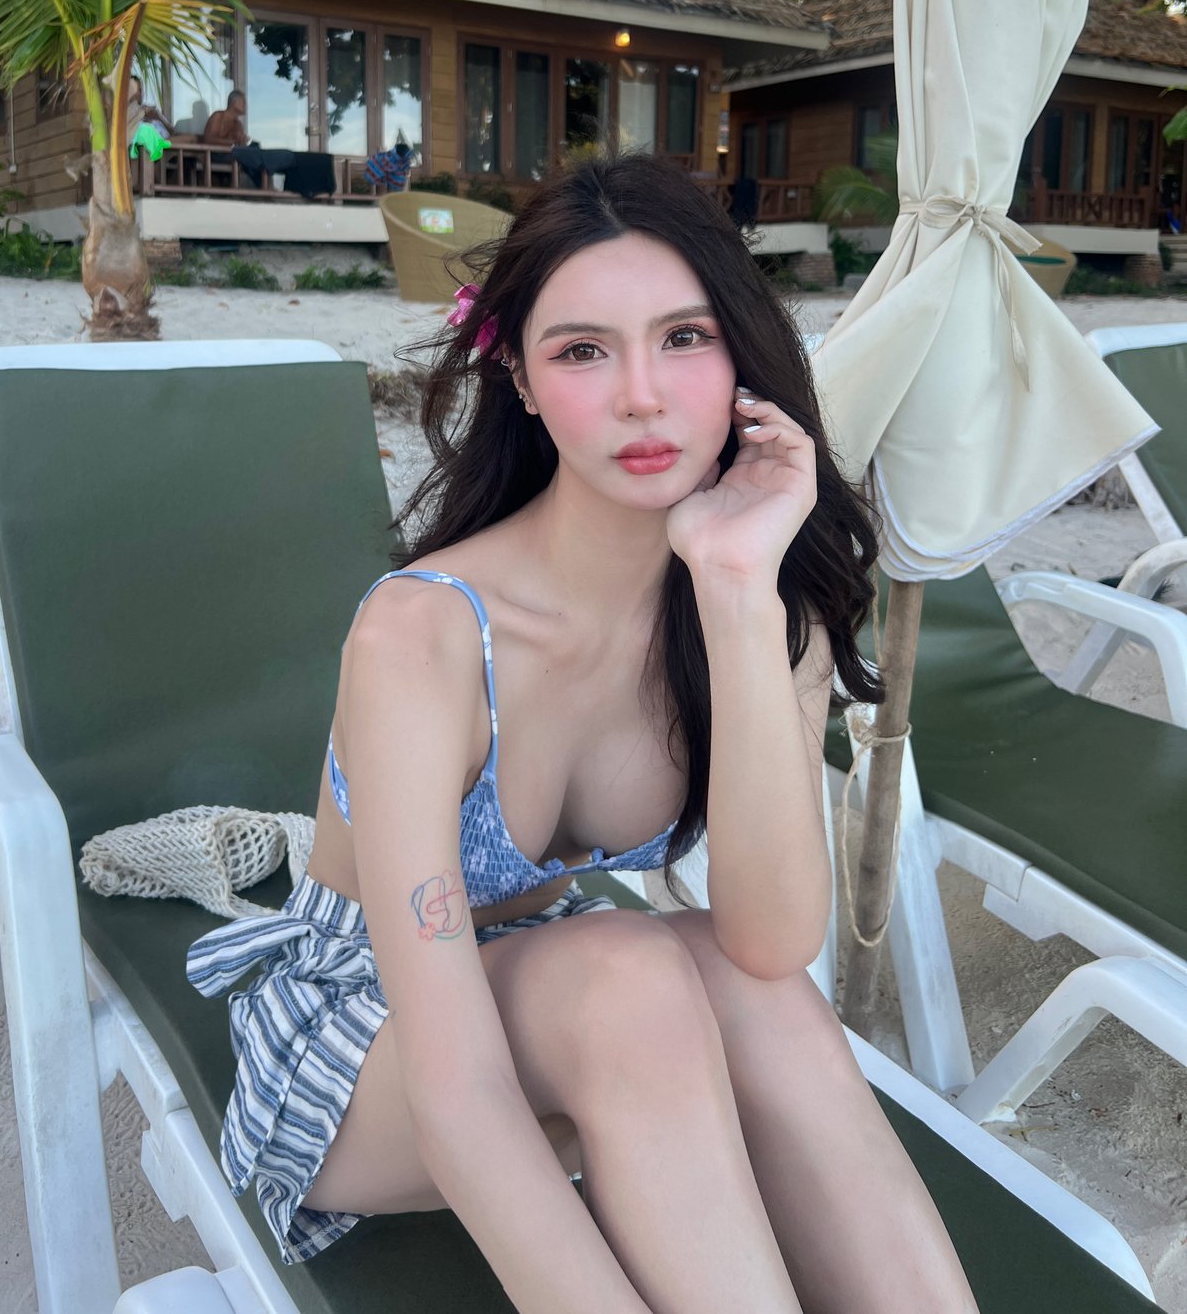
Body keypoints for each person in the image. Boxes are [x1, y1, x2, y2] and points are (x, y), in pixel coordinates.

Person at [188, 152, 979, 1313]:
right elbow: (458, 1089)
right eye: (582, 352)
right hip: (369, 1043)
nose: (642, 397)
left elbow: (771, 942)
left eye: (685, 338)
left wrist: (733, 591)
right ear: (519, 375)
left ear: (742, 360)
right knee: (630, 972)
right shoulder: (424, 637)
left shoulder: (769, 602)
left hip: (575, 1005)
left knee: (727, 980)